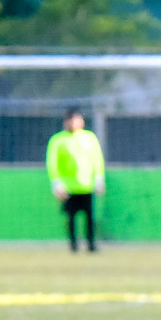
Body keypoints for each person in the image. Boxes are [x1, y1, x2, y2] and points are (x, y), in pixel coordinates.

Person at [46, 108, 104, 252]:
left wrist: (99, 179)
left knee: (90, 218)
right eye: (70, 120)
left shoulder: (89, 137)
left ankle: (91, 244)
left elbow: (97, 158)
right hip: (68, 187)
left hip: (87, 185)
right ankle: (73, 245)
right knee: (70, 218)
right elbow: (52, 162)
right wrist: (56, 183)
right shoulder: (58, 140)